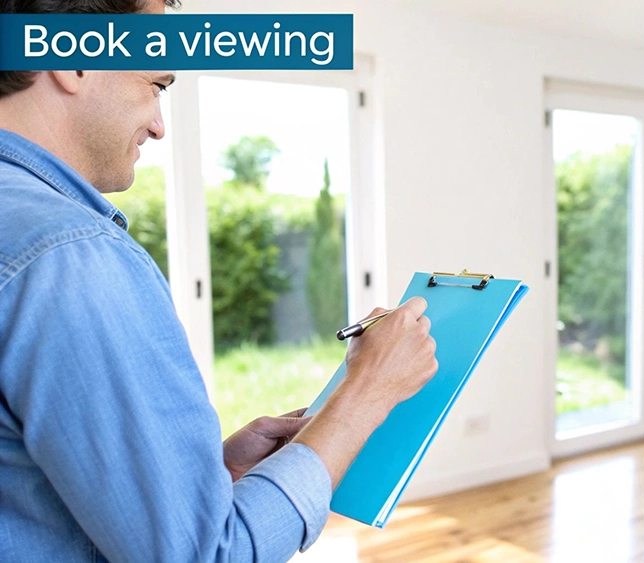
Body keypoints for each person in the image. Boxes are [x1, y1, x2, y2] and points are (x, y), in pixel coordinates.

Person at [0, 0, 438, 561]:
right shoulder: (69, 258)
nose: (159, 125)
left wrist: (212, 477)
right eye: (156, 83)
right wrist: (365, 393)